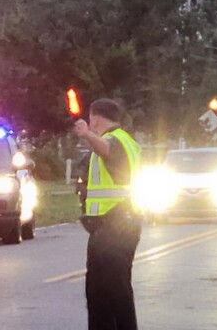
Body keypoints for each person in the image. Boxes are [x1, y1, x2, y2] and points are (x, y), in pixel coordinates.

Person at [73, 98, 141, 330]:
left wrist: (86, 135)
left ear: (97, 119)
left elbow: (107, 150)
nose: (90, 125)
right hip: (111, 225)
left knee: (113, 290)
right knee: (99, 290)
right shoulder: (126, 140)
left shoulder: (115, 140)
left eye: (91, 121)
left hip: (117, 223)